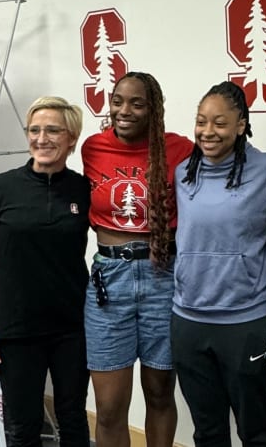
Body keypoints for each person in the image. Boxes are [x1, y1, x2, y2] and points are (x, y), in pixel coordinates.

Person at [0, 96, 90, 447]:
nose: (42, 138)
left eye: (53, 130)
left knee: (74, 420)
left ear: (71, 138)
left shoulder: (82, 188)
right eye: (34, 130)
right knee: (23, 427)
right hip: (16, 331)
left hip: (73, 329)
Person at [81, 72, 194, 447]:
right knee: (110, 406)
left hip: (162, 275)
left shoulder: (180, 150)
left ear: (154, 109)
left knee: (160, 393)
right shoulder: (92, 148)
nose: (123, 110)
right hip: (108, 280)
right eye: (117, 101)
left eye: (136, 103)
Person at [170, 81, 266, 446]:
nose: (207, 131)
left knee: (256, 431)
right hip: (189, 320)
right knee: (208, 431)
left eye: (219, 122)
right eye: (201, 122)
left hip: (245, 320)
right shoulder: (184, 173)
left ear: (241, 125)